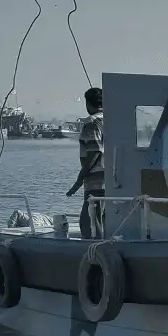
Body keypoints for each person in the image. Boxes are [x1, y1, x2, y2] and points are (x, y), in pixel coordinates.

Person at [66, 87, 105, 239]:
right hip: (114, 180)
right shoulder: (113, 120)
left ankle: (94, 250)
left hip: (96, 182)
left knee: (88, 223)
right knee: (103, 222)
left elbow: (94, 152)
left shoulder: (91, 122)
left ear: (88, 104)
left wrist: (79, 180)